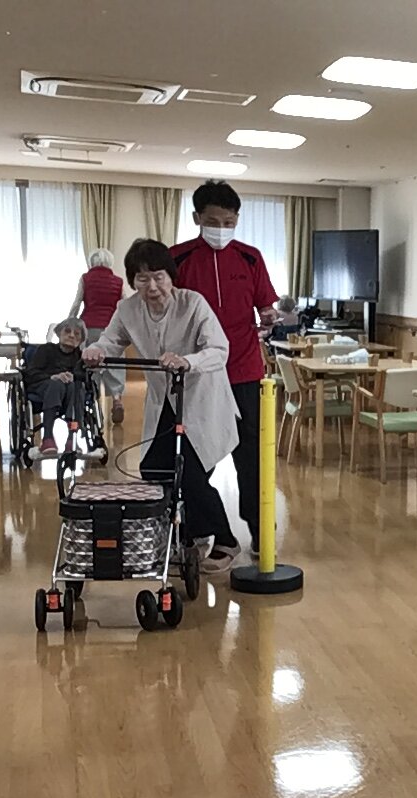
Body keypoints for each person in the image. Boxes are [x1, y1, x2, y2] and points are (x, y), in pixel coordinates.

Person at [83, 239, 242, 575]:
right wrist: (97, 350)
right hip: (164, 401)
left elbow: (219, 348)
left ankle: (226, 540)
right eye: (142, 279)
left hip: (200, 398)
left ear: (171, 276)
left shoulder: (193, 304)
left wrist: (188, 360)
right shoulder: (128, 309)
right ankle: (186, 536)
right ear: (132, 281)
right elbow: (110, 340)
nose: (152, 286)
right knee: (154, 469)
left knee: (190, 473)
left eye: (158, 277)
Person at [170, 181, 278, 557]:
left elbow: (266, 306)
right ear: (197, 218)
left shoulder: (250, 257)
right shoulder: (178, 258)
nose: (221, 228)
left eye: (229, 222)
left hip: (244, 370)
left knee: (251, 457)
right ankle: (199, 528)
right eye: (213, 221)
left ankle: (260, 529)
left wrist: (270, 316)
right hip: (198, 374)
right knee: (196, 456)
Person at [70, 248, 127, 423]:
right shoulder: (118, 281)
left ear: (91, 262)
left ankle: (93, 401)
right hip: (112, 327)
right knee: (115, 364)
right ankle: (116, 400)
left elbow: (77, 302)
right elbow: (124, 305)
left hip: (89, 327)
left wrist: (70, 321)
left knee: (90, 362)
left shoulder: (86, 279)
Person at [23, 317, 87, 457]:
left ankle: (72, 438)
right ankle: (47, 438)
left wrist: (74, 377)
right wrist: (52, 376)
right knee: (56, 384)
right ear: (58, 333)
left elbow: (86, 378)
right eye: (67, 331)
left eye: (77, 334)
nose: (71, 335)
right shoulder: (45, 350)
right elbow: (31, 373)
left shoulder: (81, 357)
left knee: (76, 387)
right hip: (43, 386)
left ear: (81, 340)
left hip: (69, 393)